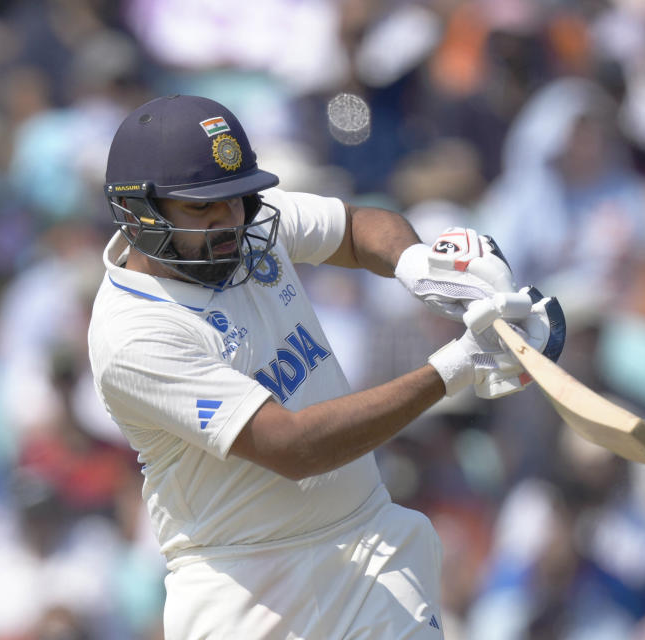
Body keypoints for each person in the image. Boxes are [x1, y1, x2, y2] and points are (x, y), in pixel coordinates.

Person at [87, 94, 565, 639]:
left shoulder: (245, 231)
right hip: (247, 591)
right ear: (139, 212)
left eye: (237, 199)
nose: (229, 221)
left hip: (368, 544)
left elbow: (355, 226)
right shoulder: (134, 335)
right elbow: (294, 447)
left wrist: (419, 266)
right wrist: (457, 366)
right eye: (202, 207)